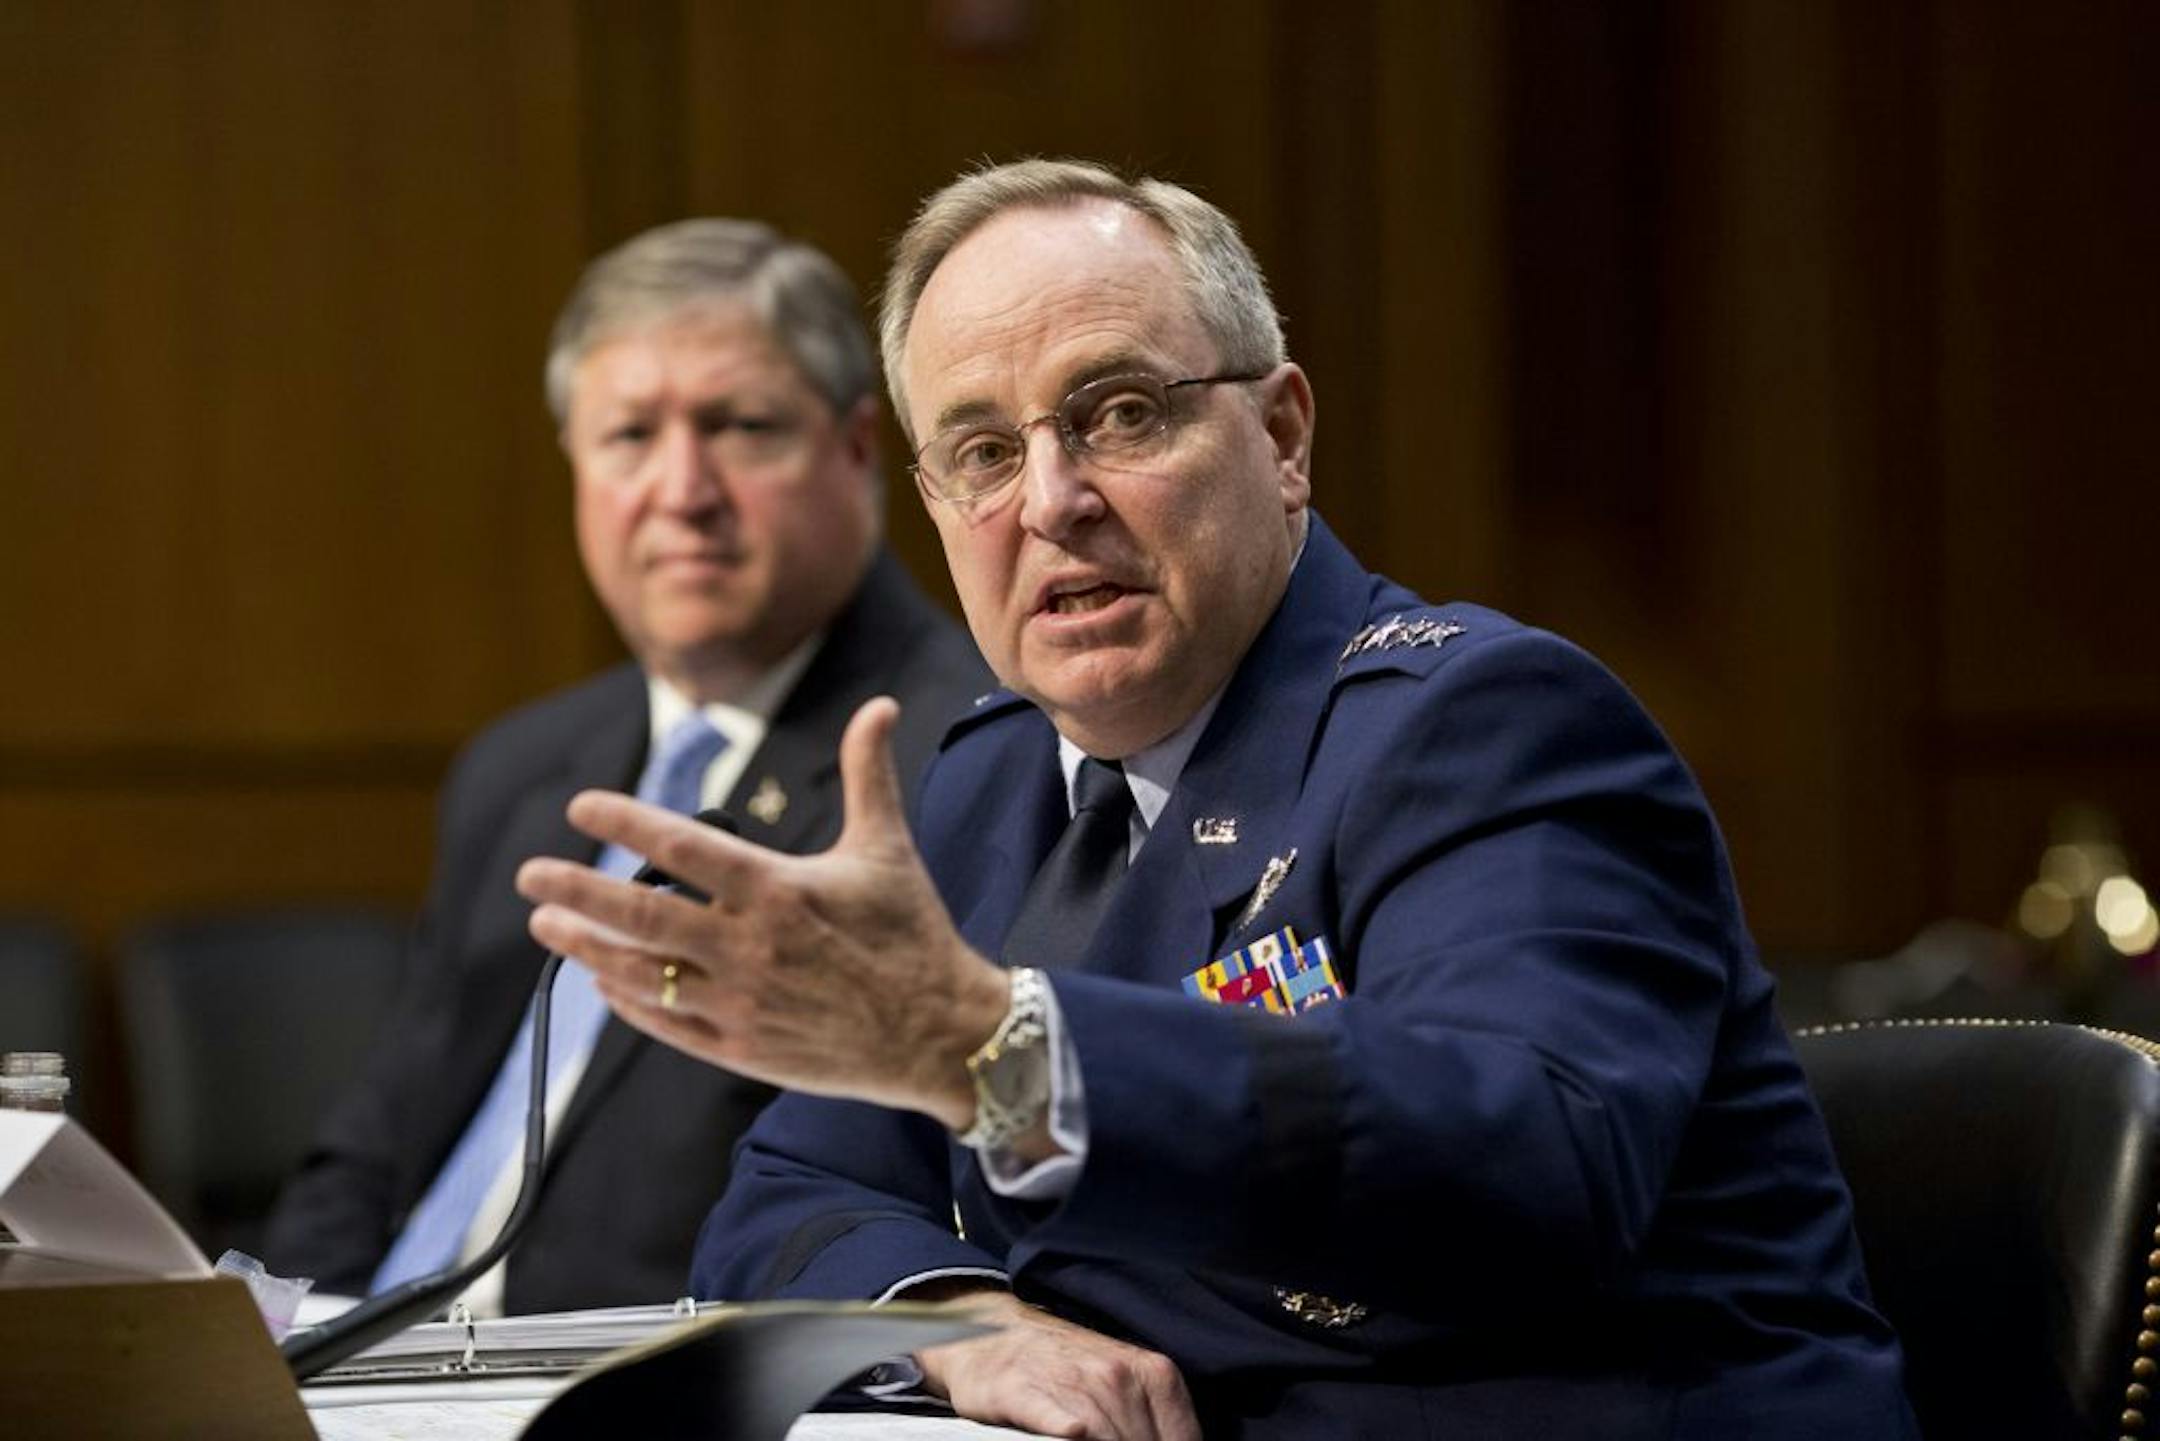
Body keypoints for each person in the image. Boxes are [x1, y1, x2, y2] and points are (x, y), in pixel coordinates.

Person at [513, 162, 1918, 1438]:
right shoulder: (987, 778)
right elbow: (787, 1197)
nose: (1053, 499)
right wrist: (970, 1323)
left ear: (1284, 434)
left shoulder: (1487, 724)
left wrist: (1002, 1052)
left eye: (1120, 413)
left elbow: (1528, 1162)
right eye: (986, 452)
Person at [261, 219, 987, 1314]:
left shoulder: (957, 756)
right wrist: (263, 1348)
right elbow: (375, 1147)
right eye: (630, 435)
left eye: (741, 427)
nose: (682, 488)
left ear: (856, 449)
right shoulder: (519, 765)